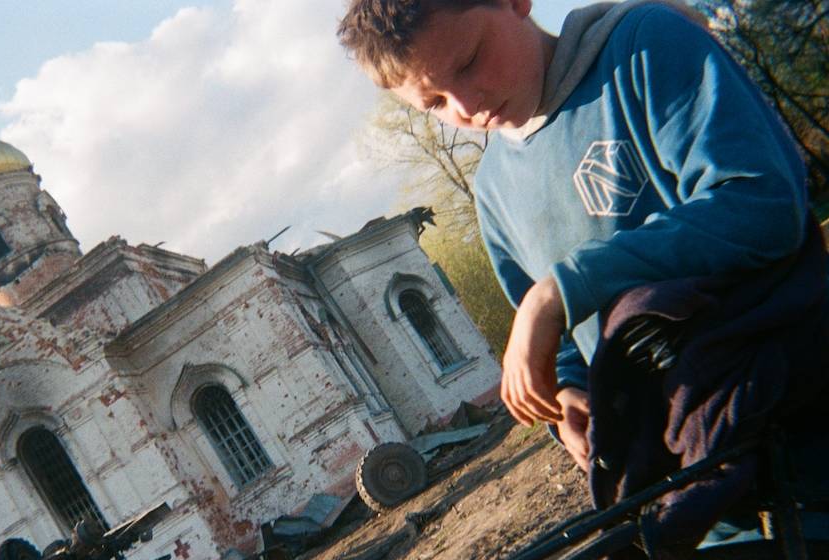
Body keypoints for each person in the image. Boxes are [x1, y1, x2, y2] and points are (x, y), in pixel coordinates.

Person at [336, 0, 810, 473]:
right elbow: (559, 342)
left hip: (795, 421)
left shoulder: (643, 45)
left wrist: (564, 288)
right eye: (435, 104)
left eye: (469, 61)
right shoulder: (494, 190)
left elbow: (764, 201)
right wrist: (566, 393)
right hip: (683, 478)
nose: (467, 107)